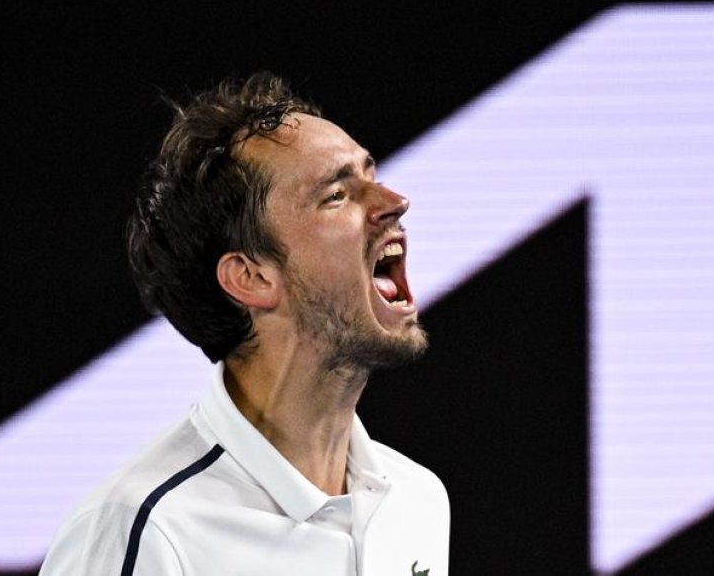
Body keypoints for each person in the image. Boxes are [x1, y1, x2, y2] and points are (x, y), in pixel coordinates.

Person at [40, 73, 449, 575]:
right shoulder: (147, 528)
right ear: (251, 277)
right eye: (337, 195)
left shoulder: (417, 501)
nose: (394, 201)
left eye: (371, 173)